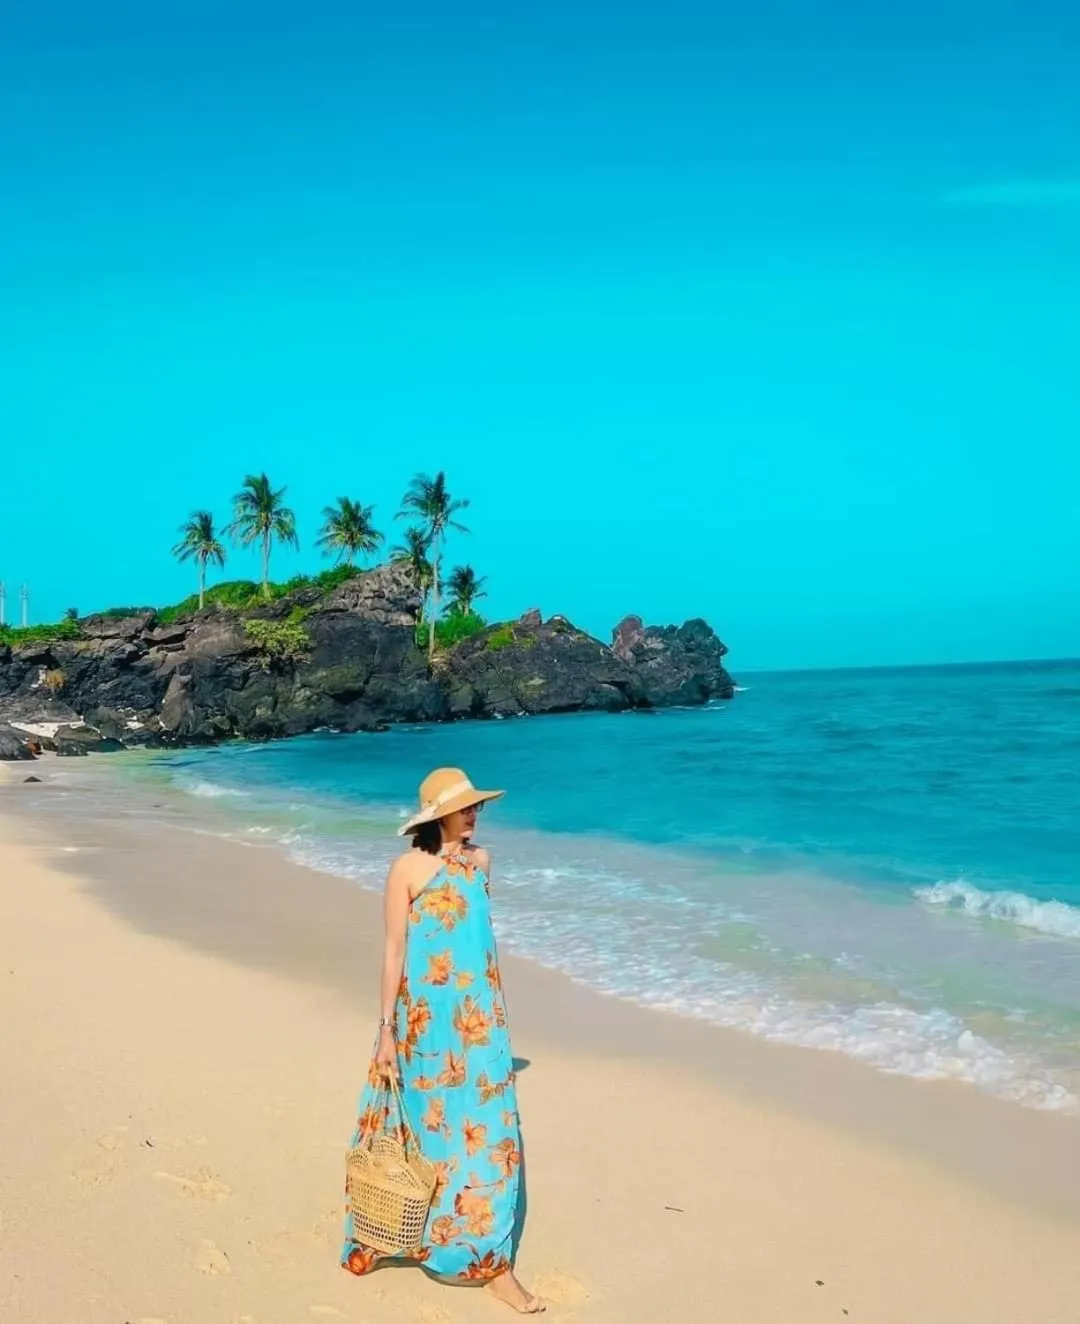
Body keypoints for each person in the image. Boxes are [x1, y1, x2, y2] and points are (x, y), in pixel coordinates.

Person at [341, 767, 544, 1315]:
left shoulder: (482, 862)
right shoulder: (407, 868)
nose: (474, 813)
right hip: (424, 1023)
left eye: (476, 806)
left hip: (481, 1021)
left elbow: (480, 947)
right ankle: (390, 1233)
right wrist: (384, 1030)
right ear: (438, 815)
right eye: (464, 807)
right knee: (423, 1133)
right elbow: (393, 952)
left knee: (491, 1140)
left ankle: (491, 1264)